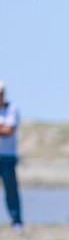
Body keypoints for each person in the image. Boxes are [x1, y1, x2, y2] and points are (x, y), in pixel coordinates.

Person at [0, 81, 23, 230]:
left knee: (11, 190)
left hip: (8, 156)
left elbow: (9, 132)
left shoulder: (12, 108)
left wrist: (4, 128)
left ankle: (16, 221)